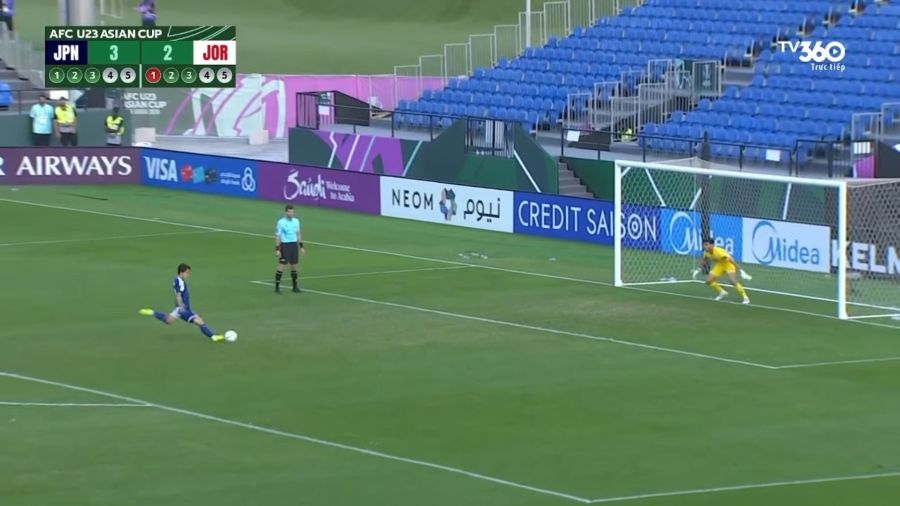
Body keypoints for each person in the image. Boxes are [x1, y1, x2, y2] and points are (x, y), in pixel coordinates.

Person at [139, 263, 225, 343]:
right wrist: (181, 306)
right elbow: (178, 294)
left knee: (169, 320)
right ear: (181, 272)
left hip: (181, 308)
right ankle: (214, 337)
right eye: (187, 273)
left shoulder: (179, 280)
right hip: (183, 309)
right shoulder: (178, 281)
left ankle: (151, 312)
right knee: (200, 322)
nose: (188, 275)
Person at [694, 238, 751, 304]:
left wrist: (741, 270)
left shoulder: (719, 252)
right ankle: (722, 292)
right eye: (704, 245)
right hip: (719, 265)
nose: (705, 247)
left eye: (706, 245)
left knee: (733, 281)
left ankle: (745, 297)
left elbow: (731, 260)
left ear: (712, 245)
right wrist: (698, 269)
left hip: (728, 264)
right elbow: (704, 260)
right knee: (708, 281)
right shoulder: (706, 252)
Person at [274, 204, 305, 293]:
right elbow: (278, 236)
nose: (291, 213)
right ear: (286, 212)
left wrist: (301, 247)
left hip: (293, 245)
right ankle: (277, 287)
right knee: (282, 265)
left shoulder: (296, 221)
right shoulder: (281, 222)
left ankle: (295, 287)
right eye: (289, 212)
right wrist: (277, 249)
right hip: (285, 246)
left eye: (292, 212)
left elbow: (298, 234)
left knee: (294, 266)